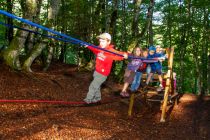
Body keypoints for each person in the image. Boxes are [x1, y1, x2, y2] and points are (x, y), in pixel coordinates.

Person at [84, 33, 128, 104]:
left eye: (103, 41)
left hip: (103, 73)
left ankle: (88, 100)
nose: (101, 43)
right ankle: (97, 99)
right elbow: (95, 49)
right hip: (97, 71)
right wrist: (88, 46)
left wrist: (124, 54)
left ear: (108, 42)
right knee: (97, 86)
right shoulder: (99, 48)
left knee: (93, 86)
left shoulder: (110, 50)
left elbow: (118, 53)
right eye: (100, 41)